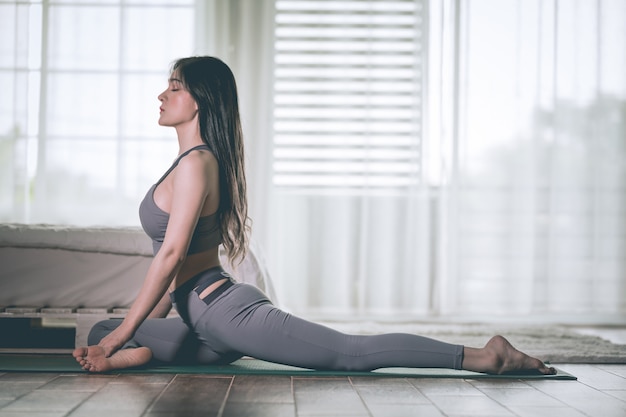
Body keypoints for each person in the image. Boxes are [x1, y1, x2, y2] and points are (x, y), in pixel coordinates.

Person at [73, 56, 555, 376]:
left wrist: (123, 335)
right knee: (98, 331)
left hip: (227, 313)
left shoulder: (199, 163)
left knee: (351, 354)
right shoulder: (185, 164)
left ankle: (485, 356)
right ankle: (134, 353)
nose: (162, 94)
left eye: (174, 87)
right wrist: (122, 337)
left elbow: (173, 254)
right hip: (200, 321)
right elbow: (170, 264)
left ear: (199, 98)